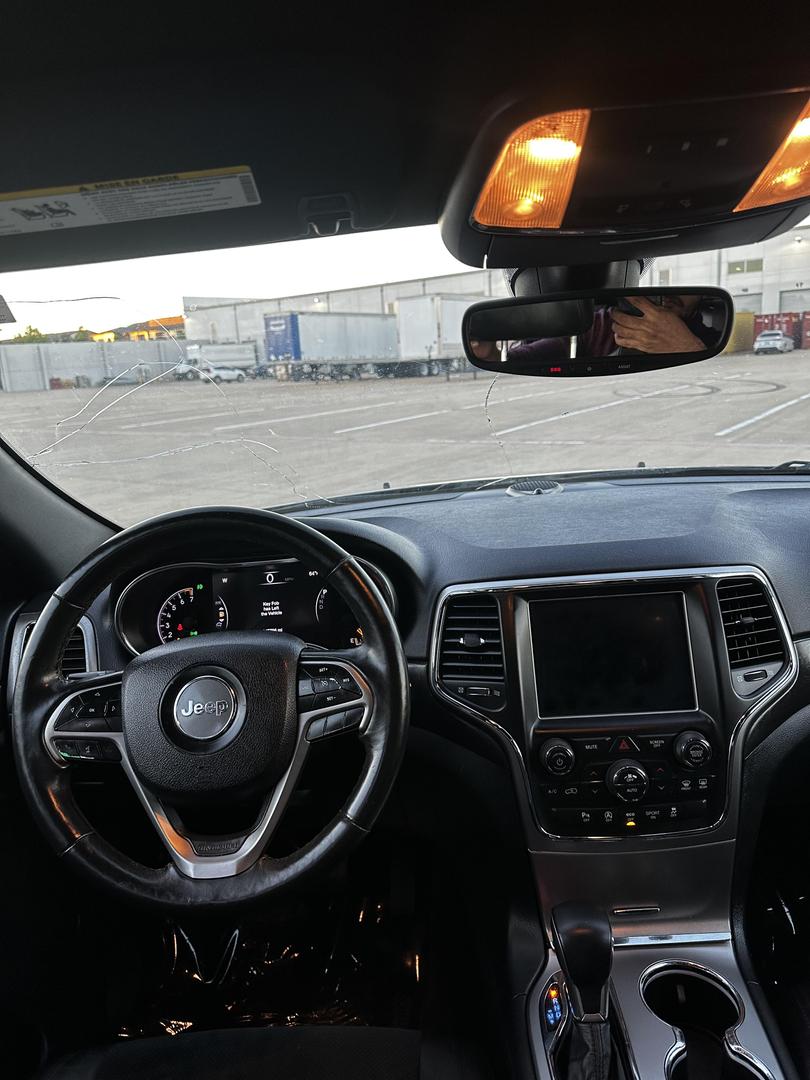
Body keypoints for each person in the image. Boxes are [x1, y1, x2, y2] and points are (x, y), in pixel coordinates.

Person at [470, 294, 720, 364]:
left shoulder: (709, 339)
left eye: (683, 292)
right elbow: (545, 351)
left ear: (700, 302)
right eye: (657, 290)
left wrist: (684, 346)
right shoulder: (595, 325)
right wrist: (493, 356)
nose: (668, 295)